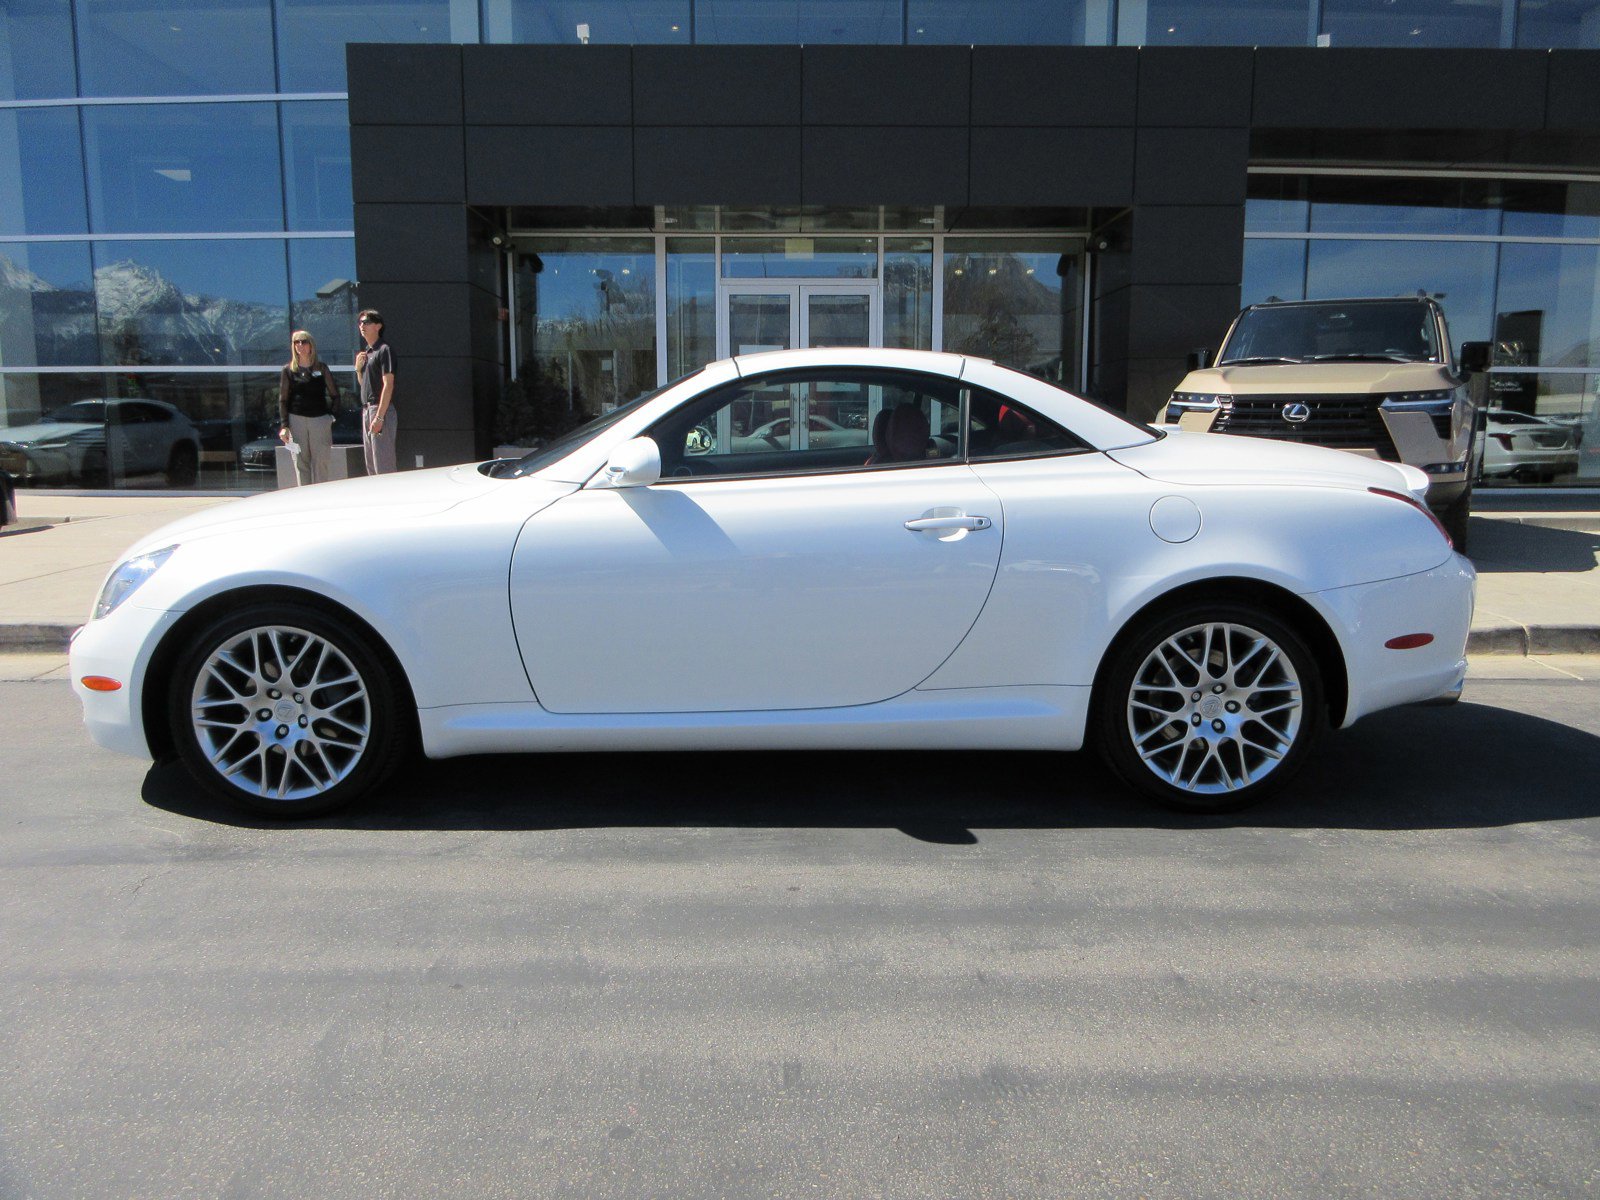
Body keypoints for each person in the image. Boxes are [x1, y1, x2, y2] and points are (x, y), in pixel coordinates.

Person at [278, 330, 340, 486]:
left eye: (303, 342)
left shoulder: (322, 368)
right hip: (296, 420)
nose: (300, 345)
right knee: (301, 462)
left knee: (321, 462)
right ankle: (305, 498)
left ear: (311, 345)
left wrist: (330, 417)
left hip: (319, 419)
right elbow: (283, 399)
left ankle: (321, 497)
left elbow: (335, 395)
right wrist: (284, 426)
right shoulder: (288, 370)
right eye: (296, 342)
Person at [355, 308, 397, 474]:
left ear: (378, 326)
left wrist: (380, 416)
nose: (362, 326)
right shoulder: (367, 353)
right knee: (371, 465)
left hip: (380, 410)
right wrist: (358, 370)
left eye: (366, 322)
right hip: (367, 410)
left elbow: (388, 385)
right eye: (360, 323)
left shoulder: (384, 350)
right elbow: (366, 386)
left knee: (383, 464)